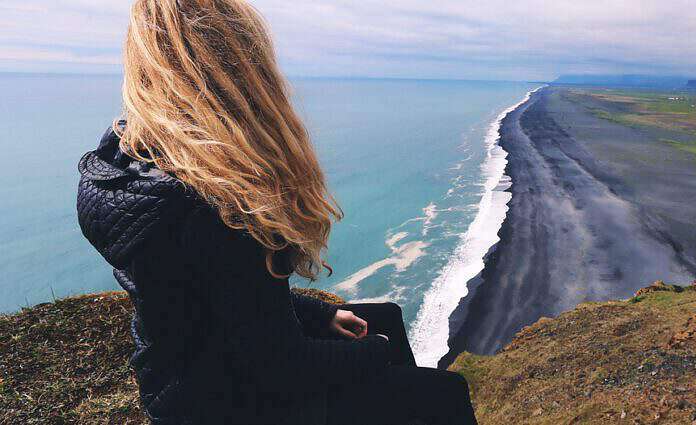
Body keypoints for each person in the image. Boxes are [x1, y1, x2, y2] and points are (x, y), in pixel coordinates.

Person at [75, 1, 477, 424]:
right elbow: (281, 368)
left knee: (387, 319)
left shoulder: (125, 165)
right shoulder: (217, 198)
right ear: (243, 67)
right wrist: (376, 351)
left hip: (173, 381)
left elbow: (220, 294)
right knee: (442, 393)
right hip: (229, 404)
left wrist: (322, 314)